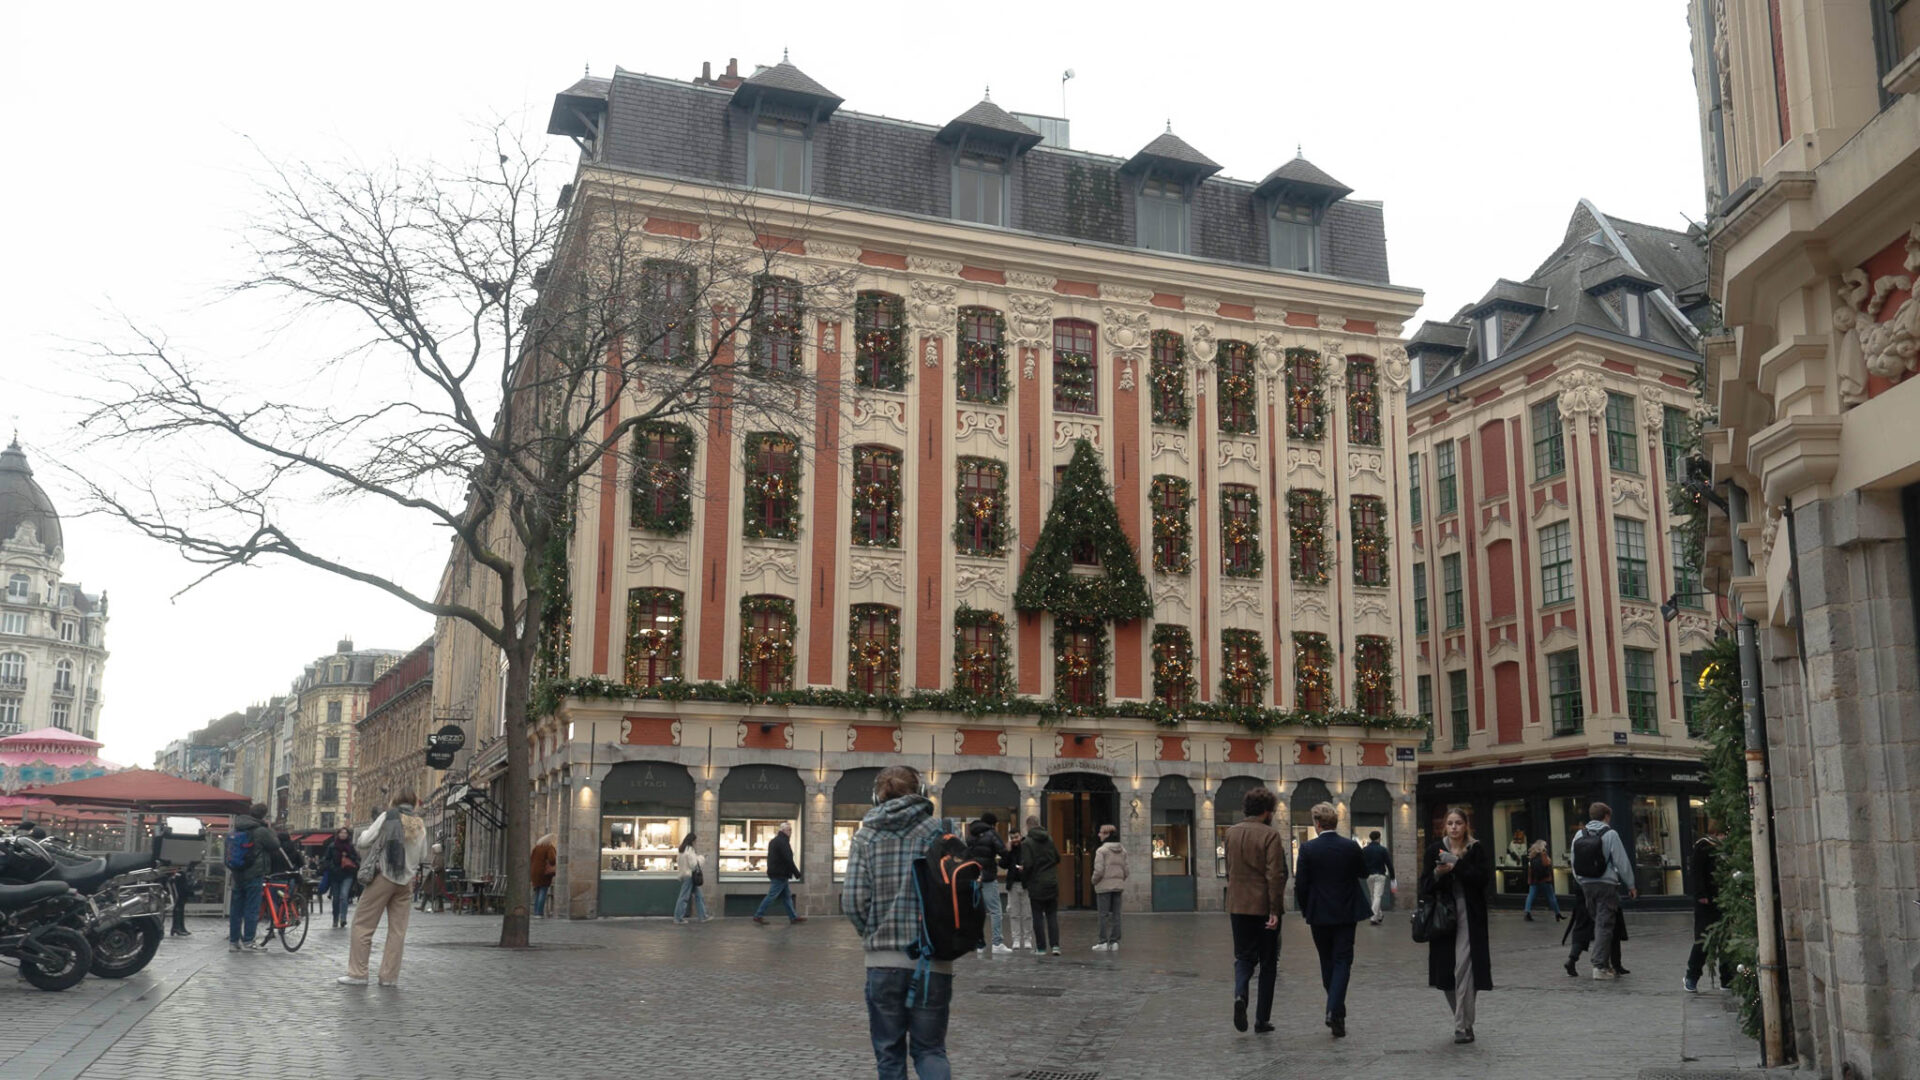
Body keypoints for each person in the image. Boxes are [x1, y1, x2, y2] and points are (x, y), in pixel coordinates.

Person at [844, 764, 953, 1080]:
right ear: (920, 793)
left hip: (883, 963)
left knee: (889, 1056)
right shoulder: (940, 832)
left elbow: (852, 902)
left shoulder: (866, 836)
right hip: (934, 960)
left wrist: (875, 935)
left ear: (876, 797)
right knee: (931, 1050)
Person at [338, 790, 429, 987]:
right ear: (414, 803)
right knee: (397, 931)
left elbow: (363, 841)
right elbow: (423, 856)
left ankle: (358, 973)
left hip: (384, 876)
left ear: (394, 800)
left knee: (363, 925)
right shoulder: (420, 824)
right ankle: (389, 977)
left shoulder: (388, 816)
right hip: (406, 882)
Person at [1295, 802, 1368, 1037]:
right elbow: (1363, 872)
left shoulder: (1308, 849)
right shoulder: (1350, 846)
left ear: (1317, 824)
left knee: (1327, 961)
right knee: (1343, 961)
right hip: (1347, 912)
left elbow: (1301, 885)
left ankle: (1335, 1010)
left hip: (1319, 913)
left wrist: (1307, 909)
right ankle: (1335, 1011)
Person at [1422, 807, 1492, 1044]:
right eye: (1450, 823)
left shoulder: (1476, 849)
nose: (1454, 827)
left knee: (1465, 969)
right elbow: (1425, 886)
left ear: (1465, 826)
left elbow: (1482, 880)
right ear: (1445, 826)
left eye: (1458, 823)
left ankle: (1461, 1026)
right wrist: (1438, 873)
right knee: (1446, 974)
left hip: (1469, 916)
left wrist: (1457, 865)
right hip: (1443, 918)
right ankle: (1465, 1021)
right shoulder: (1434, 849)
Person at [1224, 786, 1287, 1035]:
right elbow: (1275, 874)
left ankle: (1240, 993)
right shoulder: (1270, 835)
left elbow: (1229, 867)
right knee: (1268, 962)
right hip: (1263, 906)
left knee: (1243, 957)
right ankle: (1262, 1019)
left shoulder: (1230, 833)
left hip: (1237, 903)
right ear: (1266, 811)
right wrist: (1275, 908)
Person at [1570, 801, 1636, 980]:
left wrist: (1581, 880)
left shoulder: (1579, 834)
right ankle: (1599, 966)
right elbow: (1622, 861)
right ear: (1606, 816)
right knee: (1604, 925)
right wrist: (1631, 884)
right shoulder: (1610, 833)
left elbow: (1573, 861)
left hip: (1586, 885)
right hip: (1606, 885)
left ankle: (1605, 965)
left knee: (1599, 923)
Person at [226, 802, 281, 953]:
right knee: (252, 908)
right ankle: (249, 941)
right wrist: (270, 829)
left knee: (236, 909)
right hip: (254, 873)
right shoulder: (261, 830)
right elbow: (275, 844)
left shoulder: (237, 827)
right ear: (264, 815)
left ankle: (233, 942)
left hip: (237, 873)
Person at [1685, 823, 1730, 992]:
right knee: (1703, 939)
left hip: (1724, 899)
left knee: (1726, 941)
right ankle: (1692, 976)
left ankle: (1727, 979)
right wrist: (1701, 894)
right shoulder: (1704, 846)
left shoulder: (1726, 849)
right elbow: (1696, 872)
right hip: (1707, 901)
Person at [965, 814, 1011, 954]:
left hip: (973, 876)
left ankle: (980, 944)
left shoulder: (971, 835)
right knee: (996, 910)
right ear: (993, 824)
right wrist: (1006, 856)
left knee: (978, 911)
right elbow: (1003, 852)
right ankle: (997, 943)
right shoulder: (992, 834)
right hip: (988, 876)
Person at [1018, 816, 1061, 955]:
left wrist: (1024, 873)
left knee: (1037, 916)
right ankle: (1055, 946)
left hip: (1036, 883)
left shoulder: (1027, 843)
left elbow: (1029, 864)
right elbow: (1057, 857)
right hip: (1051, 882)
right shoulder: (1049, 839)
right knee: (1052, 915)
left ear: (1028, 826)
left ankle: (1041, 948)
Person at [751, 821, 806, 925]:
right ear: (783, 830)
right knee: (772, 896)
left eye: (791, 830)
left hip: (777, 872)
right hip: (780, 873)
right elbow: (788, 859)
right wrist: (797, 873)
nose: (791, 832)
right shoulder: (783, 842)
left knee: (786, 896)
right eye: (789, 830)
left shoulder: (775, 841)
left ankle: (793, 917)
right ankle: (758, 915)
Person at [1090, 823, 1128, 952]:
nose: (1099, 834)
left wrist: (1094, 881)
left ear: (1107, 834)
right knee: (1116, 914)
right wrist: (1120, 879)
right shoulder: (1123, 850)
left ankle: (1103, 942)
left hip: (1104, 886)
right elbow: (1126, 870)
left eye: (1101, 832)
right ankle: (1115, 942)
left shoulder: (1102, 851)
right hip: (1117, 886)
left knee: (1103, 915)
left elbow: (1099, 870)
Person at [321, 827, 359, 928]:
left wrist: (350, 858)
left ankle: (343, 918)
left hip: (347, 875)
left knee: (344, 896)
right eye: (341, 833)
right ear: (338, 834)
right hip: (335, 875)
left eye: (345, 833)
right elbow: (326, 859)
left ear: (348, 835)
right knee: (336, 898)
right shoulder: (332, 846)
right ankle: (335, 918)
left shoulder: (350, 847)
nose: (343, 834)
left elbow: (356, 859)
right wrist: (332, 867)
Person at [1002, 829, 1032, 951]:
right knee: (1014, 914)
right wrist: (1006, 851)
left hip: (1026, 884)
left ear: (1020, 836)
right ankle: (1016, 939)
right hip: (1013, 884)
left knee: (1027, 914)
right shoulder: (1010, 850)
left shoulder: (1026, 847)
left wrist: (1025, 868)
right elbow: (1003, 864)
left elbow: (1032, 863)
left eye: (1016, 837)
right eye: (1012, 838)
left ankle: (1027, 939)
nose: (1015, 840)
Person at [1521, 839, 1562, 922]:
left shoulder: (1532, 856)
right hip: (1545, 879)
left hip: (1534, 880)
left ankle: (1527, 911)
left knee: (1530, 896)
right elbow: (1547, 864)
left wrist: (1530, 880)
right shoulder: (1543, 855)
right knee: (1551, 896)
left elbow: (1530, 870)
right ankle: (1557, 913)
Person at [1360, 830, 1395, 925]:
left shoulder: (1364, 850)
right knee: (1377, 896)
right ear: (1379, 838)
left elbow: (1361, 863)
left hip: (1368, 876)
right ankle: (1373, 916)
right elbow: (1389, 864)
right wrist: (1393, 876)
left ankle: (1379, 915)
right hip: (1380, 875)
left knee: (1373, 896)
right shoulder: (1383, 850)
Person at [530, 833, 558, 918]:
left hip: (534, 872)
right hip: (544, 873)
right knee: (543, 892)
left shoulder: (536, 848)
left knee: (537, 892)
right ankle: (539, 913)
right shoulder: (549, 848)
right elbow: (552, 860)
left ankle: (536, 912)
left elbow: (531, 859)